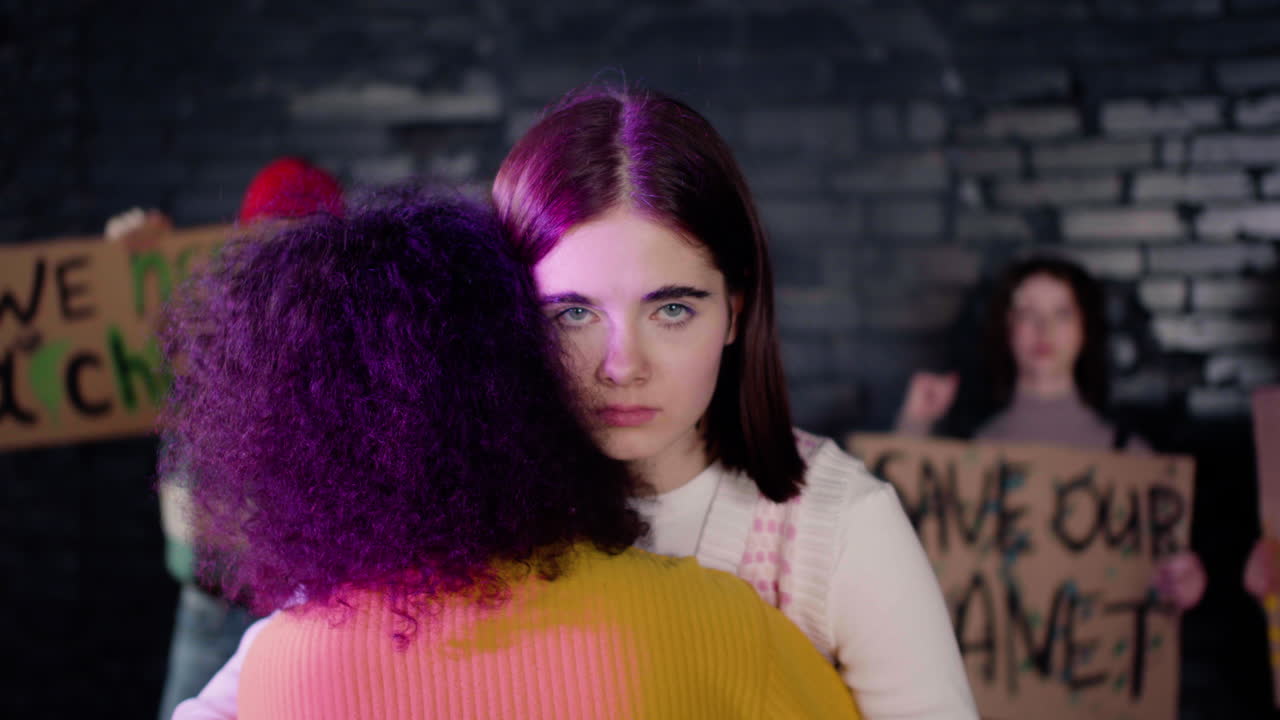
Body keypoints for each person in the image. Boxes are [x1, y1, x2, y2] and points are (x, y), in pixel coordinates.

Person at [175, 86, 976, 720]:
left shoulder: (837, 525)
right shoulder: (433, 500)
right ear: (504, 313)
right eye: (572, 314)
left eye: (673, 309)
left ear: (736, 310)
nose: (622, 366)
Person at [104, 157, 345, 720]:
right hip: (213, 601)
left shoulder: (357, 342)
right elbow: (127, 355)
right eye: (269, 243)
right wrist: (129, 265)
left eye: (303, 245)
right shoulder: (206, 331)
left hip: (311, 603)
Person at [896, 255, 1206, 611]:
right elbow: (902, 552)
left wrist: (1184, 583)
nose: (1044, 329)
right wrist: (914, 424)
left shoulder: (1130, 456)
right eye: (1028, 313)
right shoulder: (974, 449)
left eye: (1062, 313)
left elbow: (1164, 579)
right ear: (1007, 326)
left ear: (1085, 328)